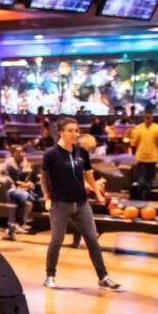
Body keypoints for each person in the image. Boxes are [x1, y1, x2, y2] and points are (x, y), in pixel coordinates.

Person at [41, 118, 121, 291]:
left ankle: (103, 277)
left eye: (76, 130)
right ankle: (50, 276)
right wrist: (47, 198)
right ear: (61, 132)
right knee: (57, 240)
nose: (75, 134)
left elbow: (89, 175)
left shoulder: (81, 153)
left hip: (81, 203)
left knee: (92, 239)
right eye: (70, 130)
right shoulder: (51, 154)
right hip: (60, 203)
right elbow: (44, 179)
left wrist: (98, 194)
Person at [0, 145, 38, 239]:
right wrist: (27, 185)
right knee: (25, 195)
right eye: (18, 152)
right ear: (13, 153)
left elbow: (26, 177)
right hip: (4, 189)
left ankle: (18, 224)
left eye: (22, 151)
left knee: (28, 201)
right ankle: (16, 226)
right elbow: (15, 181)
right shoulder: (9, 164)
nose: (21, 153)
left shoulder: (23, 162)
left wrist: (28, 182)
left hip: (15, 188)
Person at [127, 110, 158, 200]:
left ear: (152, 117)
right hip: (140, 158)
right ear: (143, 117)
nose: (147, 119)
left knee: (148, 181)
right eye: (146, 117)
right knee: (142, 180)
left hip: (152, 158)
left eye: (149, 117)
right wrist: (133, 157)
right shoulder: (137, 129)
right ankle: (141, 198)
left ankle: (145, 198)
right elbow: (133, 145)